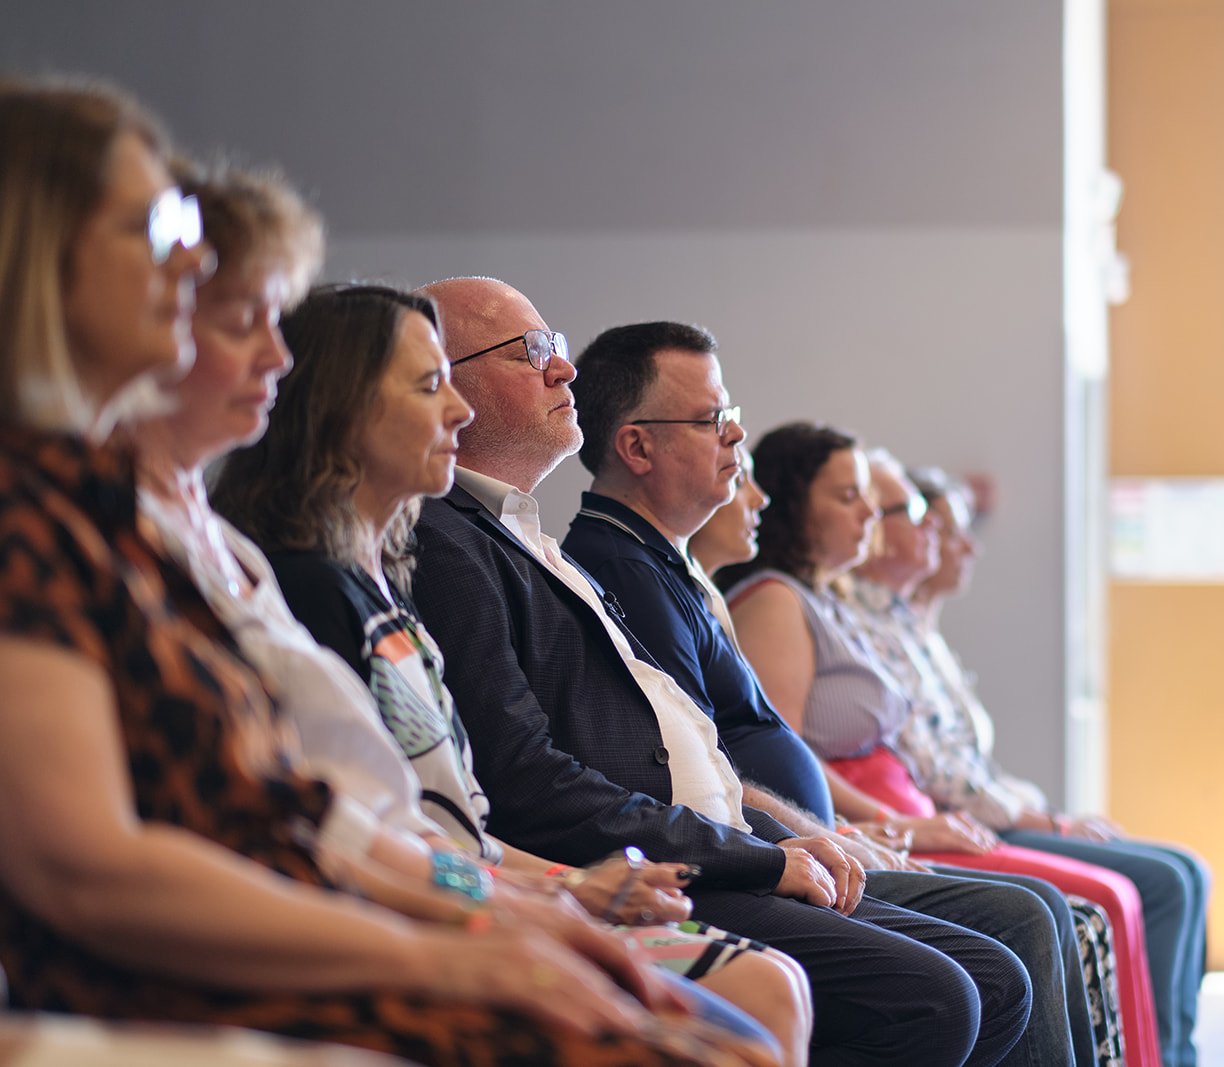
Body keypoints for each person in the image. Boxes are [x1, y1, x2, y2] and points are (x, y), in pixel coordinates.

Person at [0, 77, 762, 1067]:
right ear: (43, 251)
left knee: (721, 1024)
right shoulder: (46, 514)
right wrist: (468, 935)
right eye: (153, 226)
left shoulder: (145, 528)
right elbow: (92, 872)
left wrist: (502, 908)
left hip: (351, 913)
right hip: (192, 983)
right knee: (708, 1034)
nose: (187, 256)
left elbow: (330, 823)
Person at [406, 276, 1033, 1067]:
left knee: (996, 970)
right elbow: (532, 778)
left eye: (558, 350)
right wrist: (780, 850)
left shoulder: (538, 539)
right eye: (534, 353)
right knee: (944, 990)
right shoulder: (466, 545)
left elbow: (693, 749)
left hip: (733, 846)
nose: (561, 369)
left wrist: (786, 840)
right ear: (445, 385)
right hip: (665, 868)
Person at [205, 275, 805, 1062]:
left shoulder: (379, 579)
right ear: (343, 410)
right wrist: (548, 892)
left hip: (486, 882)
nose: (455, 409)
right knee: (764, 1004)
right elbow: (374, 835)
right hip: (429, 906)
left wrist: (553, 886)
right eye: (430, 386)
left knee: (776, 991)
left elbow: (458, 821)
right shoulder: (319, 585)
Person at [561, 319, 1113, 1067]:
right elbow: (692, 774)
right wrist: (813, 837)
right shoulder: (622, 568)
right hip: (756, 857)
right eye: (712, 419)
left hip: (805, 844)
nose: (734, 438)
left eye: (733, 417)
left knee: (1027, 922)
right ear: (637, 447)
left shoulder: (666, 567)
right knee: (998, 944)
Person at [719, 422, 1168, 1067]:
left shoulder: (836, 604)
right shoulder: (777, 602)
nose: (868, 512)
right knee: (1054, 913)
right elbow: (777, 747)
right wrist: (892, 824)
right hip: (857, 825)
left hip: (888, 820)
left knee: (1107, 895)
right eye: (849, 497)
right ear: (796, 505)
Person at [846, 452, 1210, 1067]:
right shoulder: (852, 623)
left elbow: (967, 760)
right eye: (931, 522)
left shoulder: (910, 628)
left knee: (1182, 869)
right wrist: (1048, 823)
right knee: (1150, 884)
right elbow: (937, 773)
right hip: (940, 817)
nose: (955, 544)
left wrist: (1041, 809)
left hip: (958, 810)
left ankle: (1173, 1054)